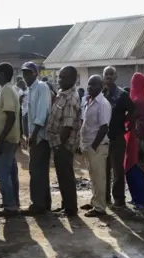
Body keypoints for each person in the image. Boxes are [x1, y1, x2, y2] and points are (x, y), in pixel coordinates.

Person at [47, 66, 80, 217]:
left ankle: (70, 209)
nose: (59, 80)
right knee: (62, 176)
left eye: (63, 77)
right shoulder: (62, 94)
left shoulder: (71, 98)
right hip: (58, 143)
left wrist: (60, 146)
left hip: (64, 145)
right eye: (59, 77)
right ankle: (65, 204)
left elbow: (67, 126)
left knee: (66, 176)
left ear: (72, 80)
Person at [22, 61, 52, 215]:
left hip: (40, 136)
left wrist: (33, 135)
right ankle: (44, 203)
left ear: (35, 73)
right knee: (39, 170)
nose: (25, 75)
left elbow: (42, 113)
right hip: (35, 135)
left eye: (28, 72)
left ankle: (38, 204)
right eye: (24, 72)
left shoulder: (41, 87)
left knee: (36, 170)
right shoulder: (30, 90)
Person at [103, 66, 135, 208]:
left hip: (117, 137)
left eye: (111, 74)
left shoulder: (122, 95)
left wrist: (127, 125)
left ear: (116, 77)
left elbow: (135, 112)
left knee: (117, 170)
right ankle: (104, 197)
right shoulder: (101, 94)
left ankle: (119, 199)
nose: (109, 76)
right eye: (106, 74)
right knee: (103, 170)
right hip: (102, 138)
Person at [80, 75, 112, 217]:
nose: (89, 87)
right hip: (88, 145)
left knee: (99, 178)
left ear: (101, 86)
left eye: (93, 85)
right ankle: (95, 201)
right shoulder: (89, 101)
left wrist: (93, 146)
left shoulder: (103, 104)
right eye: (88, 84)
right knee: (93, 176)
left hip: (97, 147)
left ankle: (99, 207)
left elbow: (104, 127)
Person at [0, 63, 21, 217]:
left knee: (2, 174)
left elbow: (10, 116)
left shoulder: (8, 90)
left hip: (7, 140)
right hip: (9, 139)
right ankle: (13, 202)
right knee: (10, 173)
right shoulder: (5, 89)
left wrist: (1, 140)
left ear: (2, 74)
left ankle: (10, 206)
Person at [123, 72, 144, 208]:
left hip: (135, 139)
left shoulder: (136, 101)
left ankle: (140, 199)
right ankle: (140, 198)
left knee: (133, 167)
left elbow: (130, 119)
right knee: (142, 168)